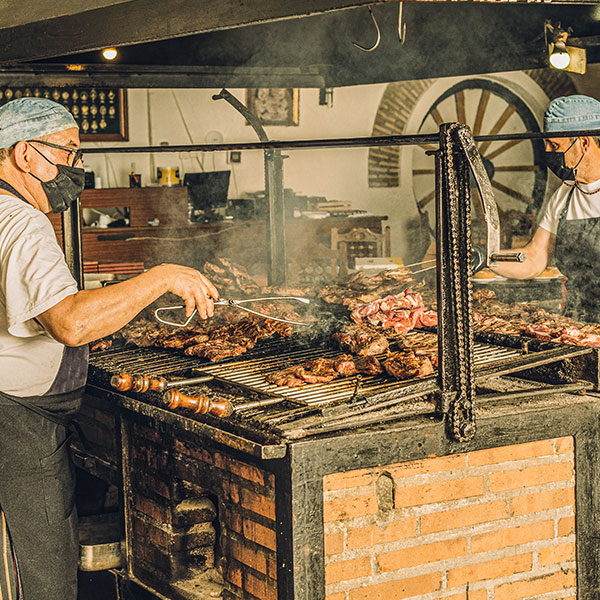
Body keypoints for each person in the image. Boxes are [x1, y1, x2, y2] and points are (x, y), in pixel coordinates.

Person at [0, 97, 219, 599]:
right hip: (16, 425)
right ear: (24, 154)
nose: (76, 168)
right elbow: (71, 324)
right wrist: (159, 277)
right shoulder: (22, 223)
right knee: (38, 576)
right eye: (69, 152)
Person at [490, 94, 600, 323]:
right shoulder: (565, 194)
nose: (549, 152)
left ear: (584, 142)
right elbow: (534, 258)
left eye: (555, 145)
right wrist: (487, 258)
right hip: (577, 324)